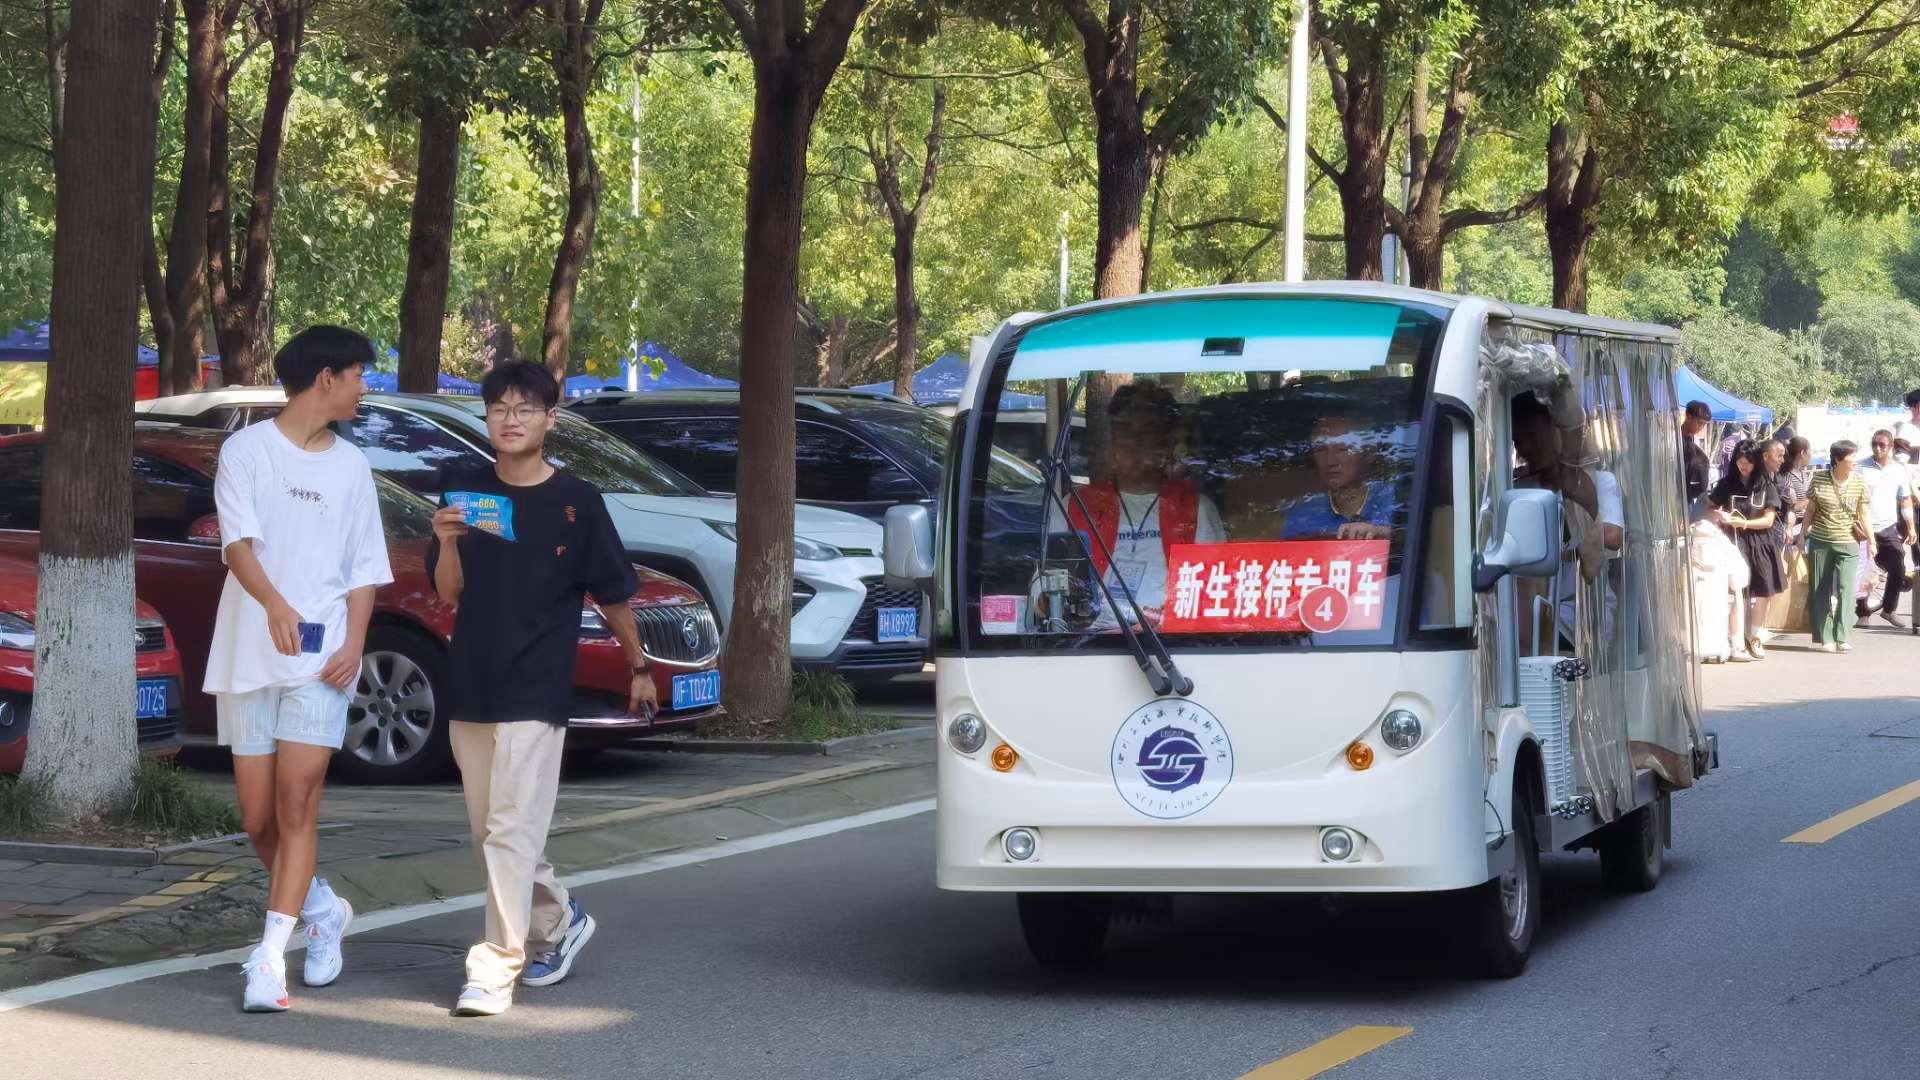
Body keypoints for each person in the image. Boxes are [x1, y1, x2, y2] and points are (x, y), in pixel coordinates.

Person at [427, 360, 656, 1017]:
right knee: (495, 832)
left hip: (537, 685)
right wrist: (446, 542)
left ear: (551, 419)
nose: (511, 419)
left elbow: (612, 594)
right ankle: (558, 918)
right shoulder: (463, 489)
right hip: (473, 679)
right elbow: (449, 592)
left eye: (525, 408)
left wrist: (638, 668)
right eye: (499, 408)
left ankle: (495, 966)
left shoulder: (577, 502)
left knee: (507, 829)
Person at [206, 326, 393, 1012]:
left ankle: (268, 960)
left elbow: (366, 568)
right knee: (260, 822)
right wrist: (274, 604)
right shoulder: (246, 450)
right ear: (326, 378)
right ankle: (323, 911)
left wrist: (355, 644)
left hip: (322, 659)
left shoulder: (352, 466)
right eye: (359, 375)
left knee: (297, 804)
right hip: (249, 653)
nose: (364, 387)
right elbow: (237, 544)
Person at [1063, 380, 1226, 628]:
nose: (1132, 441)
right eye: (1124, 430)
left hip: (1169, 641)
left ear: (1165, 443)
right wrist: (1045, 599)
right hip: (1090, 642)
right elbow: (1044, 584)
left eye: (1146, 432)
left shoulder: (1195, 509)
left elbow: (1212, 590)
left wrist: (1164, 625)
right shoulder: (1075, 506)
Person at [1708, 440, 1781, 660]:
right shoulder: (1726, 484)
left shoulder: (1766, 486)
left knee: (1764, 590)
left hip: (1760, 543)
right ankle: (1735, 640)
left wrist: (1745, 523)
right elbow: (1710, 508)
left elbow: (1769, 520)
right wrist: (1721, 515)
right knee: (1736, 592)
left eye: (1748, 460)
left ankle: (1756, 637)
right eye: (1739, 460)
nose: (1743, 465)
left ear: (1756, 461)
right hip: (1733, 542)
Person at [1803, 439, 1872, 653]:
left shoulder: (1860, 482)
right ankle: (1826, 637)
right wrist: (1801, 535)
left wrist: (1872, 540)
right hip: (1820, 541)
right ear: (1838, 459)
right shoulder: (1819, 479)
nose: (1856, 459)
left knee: (1845, 588)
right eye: (1852, 455)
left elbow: (1864, 513)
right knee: (1820, 589)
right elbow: (1810, 509)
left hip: (1849, 542)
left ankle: (1843, 636)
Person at [1281, 415, 1397, 540]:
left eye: (1342, 449)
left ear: (1369, 453)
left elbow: (1406, 534)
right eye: (1320, 449)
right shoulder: (1305, 512)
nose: (1330, 461)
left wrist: (1380, 532)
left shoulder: (1394, 499)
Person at [1855, 429, 1915, 628]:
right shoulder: (1860, 468)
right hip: (1863, 529)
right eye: (1874, 444)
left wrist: (1911, 527)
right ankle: (1862, 613)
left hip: (1887, 528)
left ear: (1890, 447)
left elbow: (1905, 500)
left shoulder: (1898, 470)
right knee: (1863, 570)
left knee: (1898, 565)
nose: (1878, 448)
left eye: (1882, 445)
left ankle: (1889, 609)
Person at [1682, 401, 1712, 507]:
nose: (1701, 427)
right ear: (1688, 417)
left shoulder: (1693, 440)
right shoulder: (1675, 439)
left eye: (1704, 424)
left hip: (1688, 497)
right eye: (1699, 423)